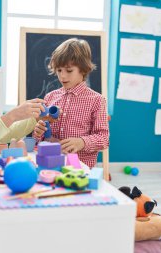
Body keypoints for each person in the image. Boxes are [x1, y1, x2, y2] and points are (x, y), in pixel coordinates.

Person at [33, 38, 109, 168]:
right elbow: (39, 137)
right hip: (51, 164)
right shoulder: (50, 96)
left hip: (79, 168)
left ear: (83, 70)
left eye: (69, 71)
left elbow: (103, 138)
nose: (62, 76)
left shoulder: (97, 100)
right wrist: (38, 133)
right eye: (59, 70)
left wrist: (82, 142)